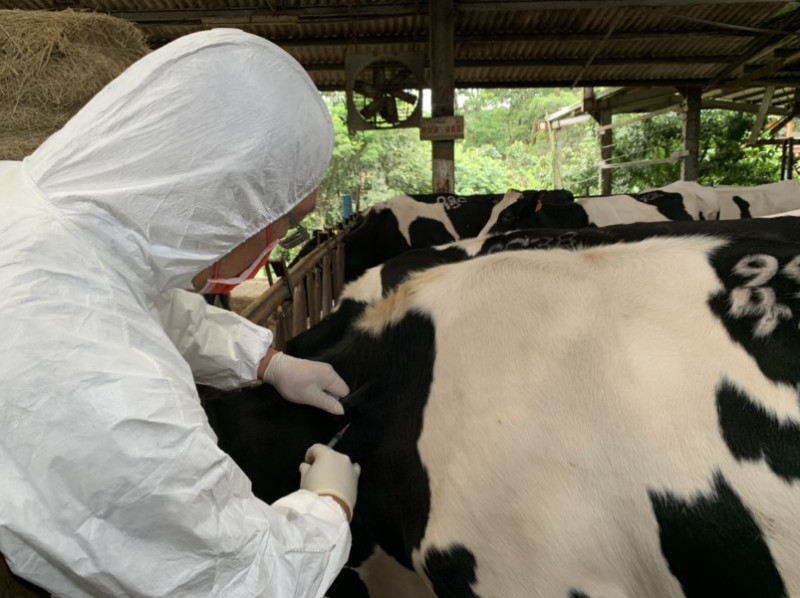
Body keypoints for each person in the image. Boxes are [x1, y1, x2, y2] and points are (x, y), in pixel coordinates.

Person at [0, 28, 361, 597]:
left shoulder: (31, 204)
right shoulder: (109, 384)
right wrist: (328, 505)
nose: (275, 243)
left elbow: (141, 299)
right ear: (227, 201)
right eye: (284, 222)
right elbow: (241, 579)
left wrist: (264, 361)